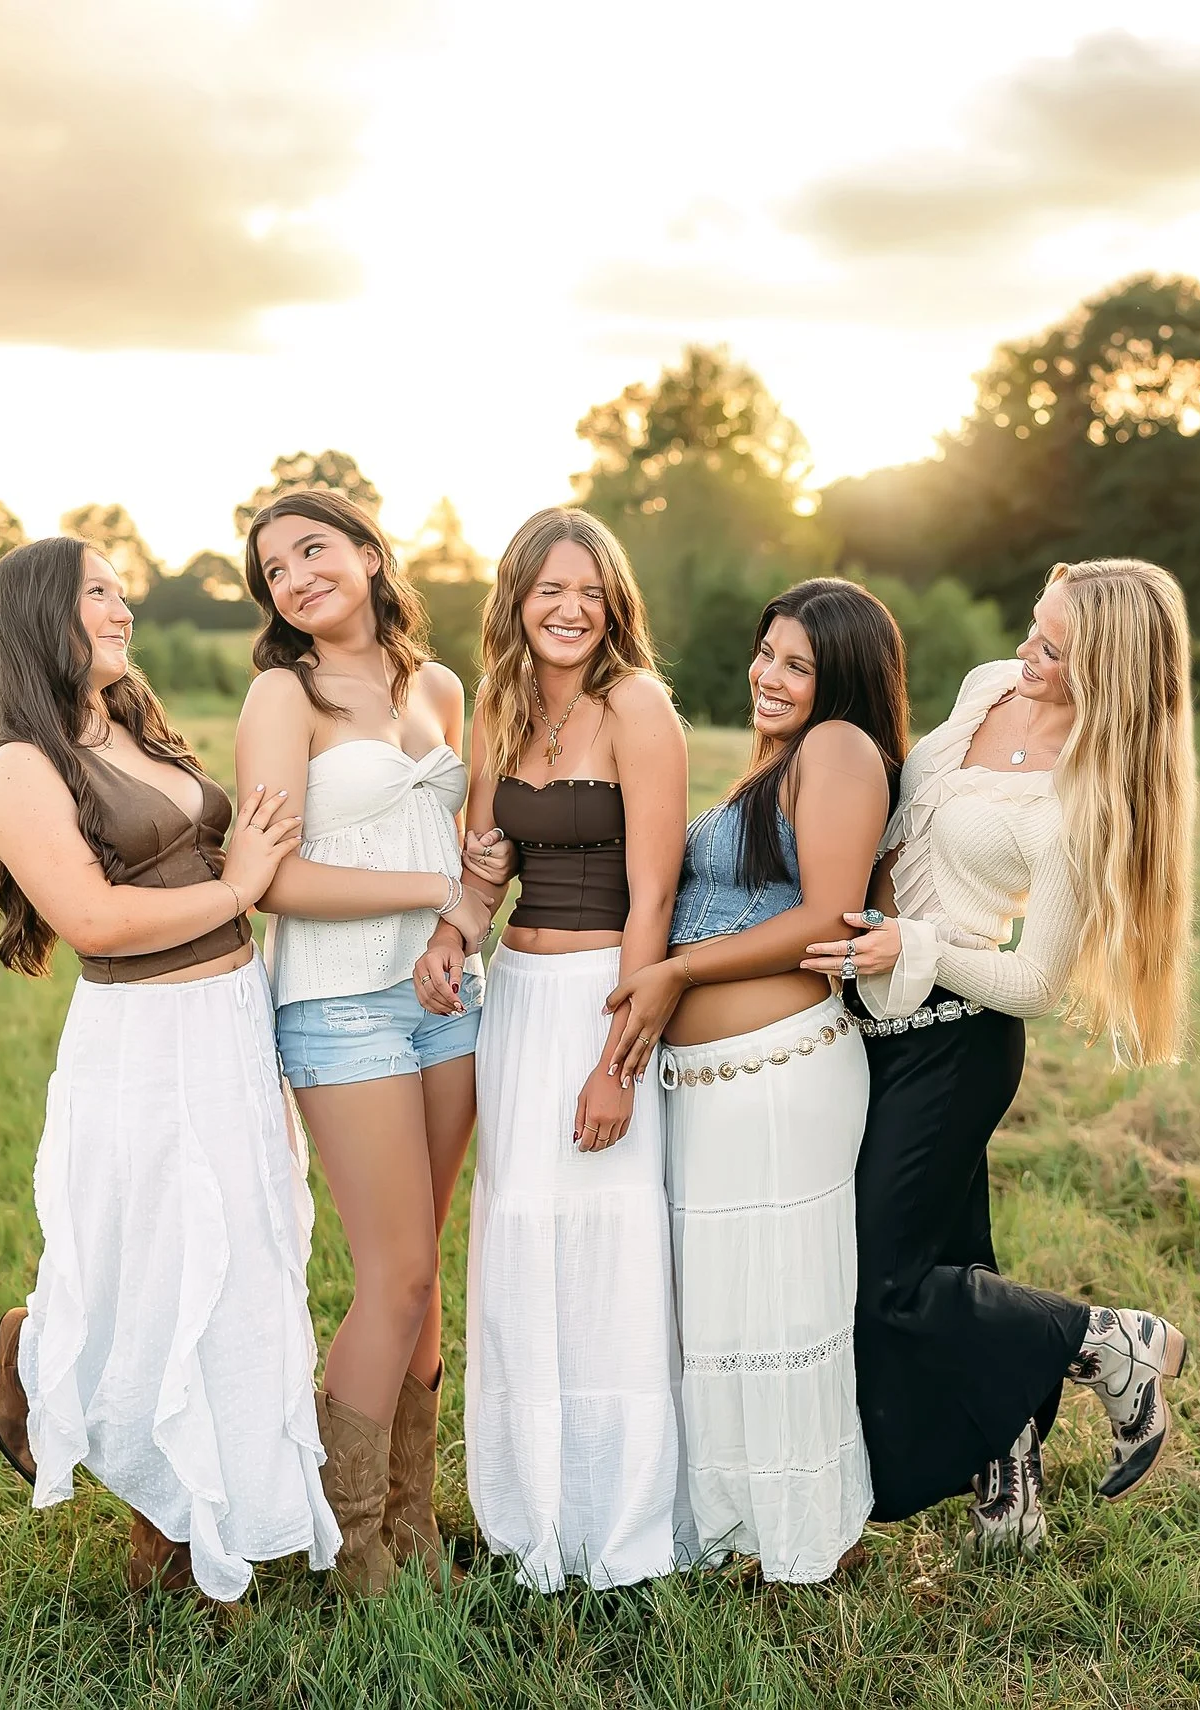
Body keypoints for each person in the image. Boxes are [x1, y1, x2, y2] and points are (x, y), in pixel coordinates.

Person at [802, 558, 1198, 1557]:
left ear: (1106, 667)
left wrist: (916, 947)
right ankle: (1005, 1469)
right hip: (874, 1024)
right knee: (949, 1263)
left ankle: (1107, 1340)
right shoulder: (987, 687)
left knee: (881, 1281)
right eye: (1033, 625)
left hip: (957, 1042)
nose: (1025, 652)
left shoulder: (1080, 800)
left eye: (1052, 647)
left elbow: (1033, 985)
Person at [0, 536, 336, 1606]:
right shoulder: (19, 768)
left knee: (244, 1264)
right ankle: (159, 1543)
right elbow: (91, 917)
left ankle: (207, 1508)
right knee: (163, 1277)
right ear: (44, 616)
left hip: (229, 1021)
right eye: (99, 595)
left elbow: (227, 853)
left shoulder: (133, 722)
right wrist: (239, 890)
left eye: (121, 592)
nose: (122, 611)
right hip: (144, 1041)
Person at [603, 577, 907, 1585]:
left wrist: (678, 971)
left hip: (779, 1079)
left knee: (780, 1307)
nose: (769, 677)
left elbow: (829, 914)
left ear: (841, 680)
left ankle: (814, 1537)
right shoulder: (779, 762)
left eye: (797, 664)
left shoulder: (838, 749)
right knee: (728, 1313)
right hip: (717, 1085)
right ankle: (743, 1527)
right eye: (766, 653)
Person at [413, 507, 686, 1591]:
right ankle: (529, 1518)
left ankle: (616, 1528)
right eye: (547, 592)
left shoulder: (639, 706)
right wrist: (449, 935)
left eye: (589, 591)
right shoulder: (498, 706)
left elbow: (656, 890)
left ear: (612, 602)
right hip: (516, 1002)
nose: (569, 611)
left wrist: (615, 1056)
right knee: (519, 1237)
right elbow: (486, 865)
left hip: (603, 999)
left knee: (607, 1248)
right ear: (516, 602)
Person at [233, 488, 498, 1594]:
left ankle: (415, 1521)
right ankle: (350, 1545)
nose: (297, 578)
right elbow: (272, 879)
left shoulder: (437, 686)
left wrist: (457, 920)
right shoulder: (279, 698)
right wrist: (436, 884)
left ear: (368, 554)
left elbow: (483, 848)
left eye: (313, 550)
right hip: (339, 1003)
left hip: (446, 996)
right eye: (274, 572)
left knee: (424, 1274)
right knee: (389, 1275)